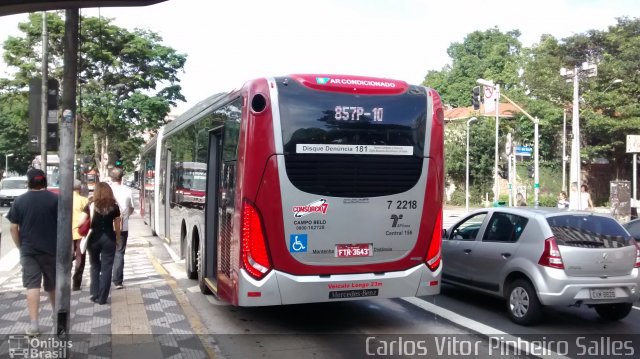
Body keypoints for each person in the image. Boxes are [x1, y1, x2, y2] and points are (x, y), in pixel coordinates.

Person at [7, 168, 58, 336]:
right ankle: (56, 315)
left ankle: (34, 325)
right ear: (44, 181)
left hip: (29, 250)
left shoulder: (20, 201)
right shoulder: (55, 199)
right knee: (52, 284)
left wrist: (21, 247)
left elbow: (13, 228)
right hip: (51, 249)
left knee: (32, 286)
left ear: (28, 182)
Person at [78, 182, 121, 305]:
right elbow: (117, 224)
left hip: (93, 239)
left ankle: (94, 293)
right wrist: (118, 238)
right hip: (109, 238)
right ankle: (103, 298)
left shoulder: (91, 205)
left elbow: (80, 222)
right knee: (107, 268)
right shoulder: (114, 206)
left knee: (95, 265)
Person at [109, 168, 134, 289]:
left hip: (106, 227)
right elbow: (131, 208)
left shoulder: (105, 190)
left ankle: (104, 279)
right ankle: (118, 281)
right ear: (121, 178)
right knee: (119, 252)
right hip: (122, 227)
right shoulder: (127, 191)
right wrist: (125, 216)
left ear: (110, 178)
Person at [71, 179, 90, 290]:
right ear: (80, 188)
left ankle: (63, 280)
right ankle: (76, 284)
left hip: (66, 234)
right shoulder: (84, 200)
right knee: (80, 258)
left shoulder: (63, 199)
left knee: (67, 258)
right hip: (80, 233)